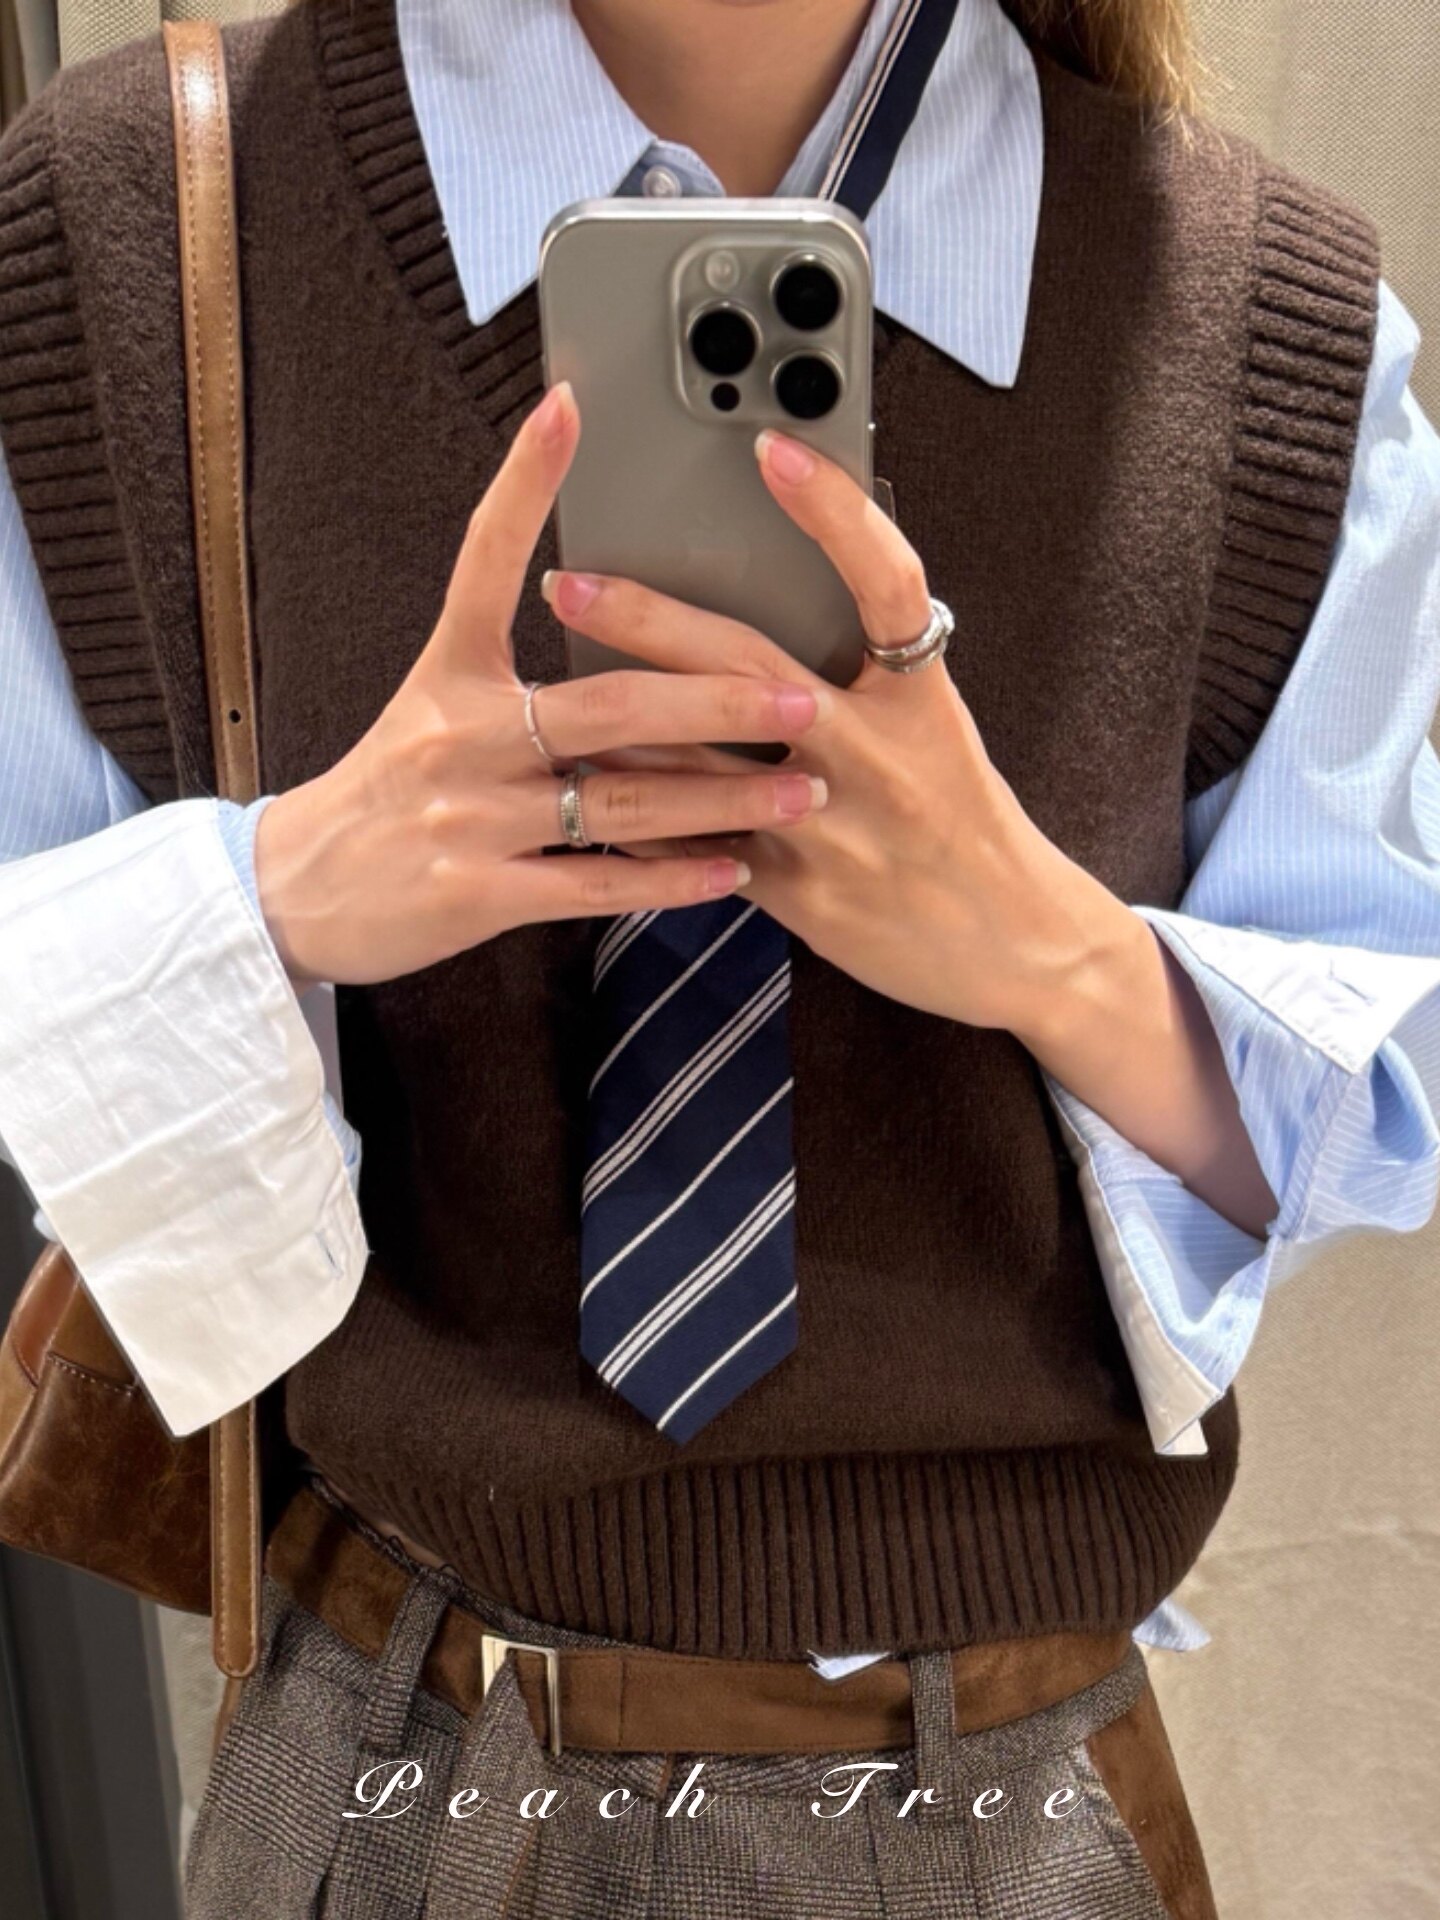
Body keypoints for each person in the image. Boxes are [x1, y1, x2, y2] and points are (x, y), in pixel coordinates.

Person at [0, 0, 1436, 1912]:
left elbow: (1368, 1106)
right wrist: (281, 891)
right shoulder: (137, 226)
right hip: (395, 1768)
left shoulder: (1263, 319)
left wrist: (1043, 949)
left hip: (1009, 1809)